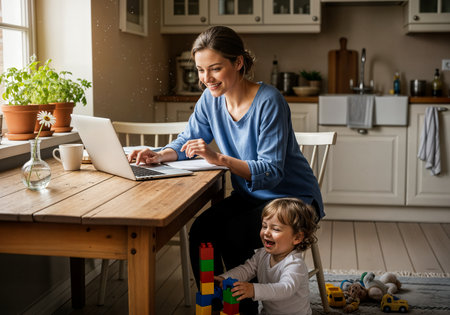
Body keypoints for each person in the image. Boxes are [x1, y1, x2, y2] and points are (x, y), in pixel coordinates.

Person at [128, 25, 323, 314]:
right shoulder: (210, 99)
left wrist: (220, 159)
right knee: (201, 230)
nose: (206, 79)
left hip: (289, 199)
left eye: (215, 69)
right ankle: (214, 303)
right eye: (200, 70)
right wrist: (159, 155)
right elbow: (187, 140)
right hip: (251, 196)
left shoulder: (269, 102)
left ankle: (243, 309)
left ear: (238, 63)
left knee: (235, 233)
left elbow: (272, 171)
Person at [214, 198, 318, 315]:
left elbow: (284, 289)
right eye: (264, 226)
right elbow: (246, 270)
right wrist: (225, 278)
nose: (266, 232)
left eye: (275, 229)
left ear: (297, 238)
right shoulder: (262, 254)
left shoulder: (295, 264)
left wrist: (254, 289)